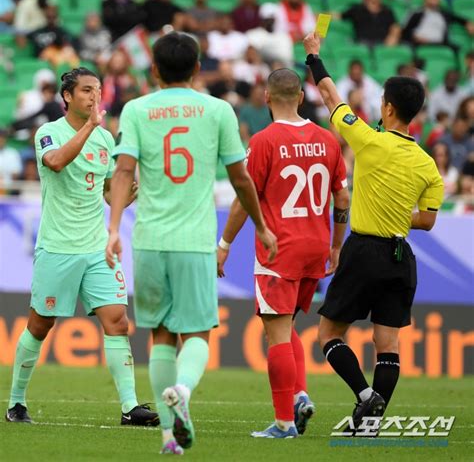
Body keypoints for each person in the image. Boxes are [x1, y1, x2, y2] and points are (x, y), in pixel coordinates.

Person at [105, 32, 277, 455]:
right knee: (197, 332)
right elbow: (241, 178)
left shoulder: (136, 109)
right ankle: (183, 389)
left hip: (148, 240)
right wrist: (261, 226)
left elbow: (124, 171)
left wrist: (113, 229)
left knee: (160, 336)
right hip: (195, 240)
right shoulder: (218, 110)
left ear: (155, 70)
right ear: (199, 68)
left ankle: (169, 437)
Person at [303, 32, 444, 435]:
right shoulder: (428, 165)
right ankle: (370, 424)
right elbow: (428, 220)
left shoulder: (369, 140)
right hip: (401, 256)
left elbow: (331, 98)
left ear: (386, 106)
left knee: (328, 334)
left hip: (363, 250)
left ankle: (366, 397)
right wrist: (399, 214)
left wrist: (314, 56)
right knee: (388, 345)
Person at [5, 68, 158, 428]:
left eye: (98, 90)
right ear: (68, 97)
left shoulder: (105, 140)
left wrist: (125, 196)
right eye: (86, 90)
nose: (94, 96)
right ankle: (15, 403)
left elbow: (105, 190)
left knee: (118, 321)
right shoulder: (48, 133)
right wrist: (89, 128)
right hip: (58, 247)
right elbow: (56, 163)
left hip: (96, 247)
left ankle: (129, 407)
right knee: (40, 325)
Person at [217, 68, 350, 439]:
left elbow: (245, 200)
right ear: (303, 97)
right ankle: (300, 395)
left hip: (280, 247)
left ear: (266, 98)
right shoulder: (328, 140)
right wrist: (337, 245)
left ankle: (284, 423)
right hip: (315, 246)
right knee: (286, 325)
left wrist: (224, 244)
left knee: (275, 333)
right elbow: (342, 197)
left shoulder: (264, 140)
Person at [402, 0, 474, 47]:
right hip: (420, 46)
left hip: (441, 45)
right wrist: (414, 37)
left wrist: (467, 22)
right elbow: (405, 32)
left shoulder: (444, 14)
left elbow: (458, 19)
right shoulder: (416, 13)